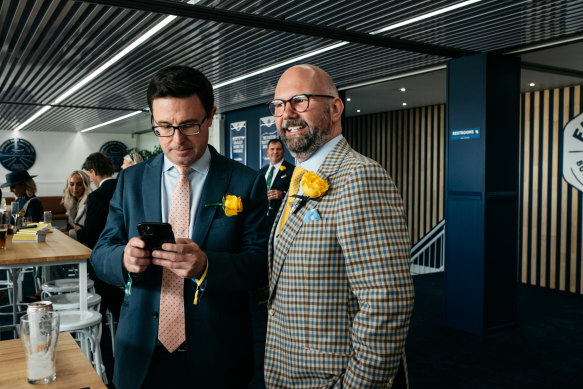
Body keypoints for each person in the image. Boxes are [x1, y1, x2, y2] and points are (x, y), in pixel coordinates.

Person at [90, 65, 269, 389]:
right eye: (164, 127)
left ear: (211, 115)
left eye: (189, 125)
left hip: (217, 355)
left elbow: (259, 264)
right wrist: (123, 260)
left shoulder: (245, 181)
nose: (177, 140)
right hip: (140, 353)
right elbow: (101, 252)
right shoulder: (131, 180)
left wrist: (207, 265)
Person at [264, 64, 415, 388]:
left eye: (299, 100)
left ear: (335, 108)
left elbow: (387, 300)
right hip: (290, 369)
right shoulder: (299, 178)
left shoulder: (360, 176)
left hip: (332, 378)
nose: (286, 113)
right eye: (278, 105)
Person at [258, 138, 295, 228]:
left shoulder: (292, 170)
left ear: (283, 152)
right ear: (267, 153)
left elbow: (297, 194)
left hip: (281, 219)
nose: (275, 152)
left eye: (278, 149)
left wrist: (283, 195)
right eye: (272, 149)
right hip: (262, 219)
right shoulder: (261, 172)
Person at [61, 170, 92, 241]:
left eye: (79, 184)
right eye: (72, 184)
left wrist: (68, 233)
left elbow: (89, 232)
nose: (75, 188)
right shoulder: (71, 201)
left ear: (85, 185)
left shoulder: (90, 201)